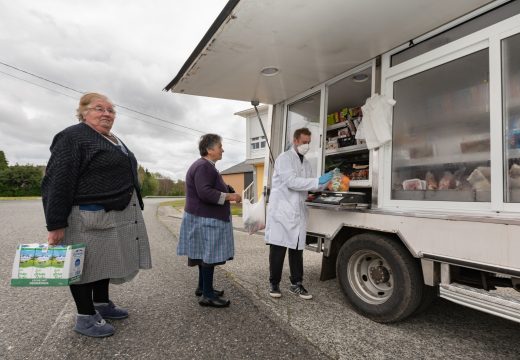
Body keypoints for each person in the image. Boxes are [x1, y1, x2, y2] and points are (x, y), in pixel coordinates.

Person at [41, 92, 152, 337]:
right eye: (99, 108)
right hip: (85, 216)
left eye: (111, 110)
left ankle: (101, 303)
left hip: (110, 213)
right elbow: (58, 181)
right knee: (84, 266)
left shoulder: (113, 139)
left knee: (104, 260)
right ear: (83, 112)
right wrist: (56, 223)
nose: (107, 114)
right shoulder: (72, 136)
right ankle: (85, 316)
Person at [265, 127, 332, 300]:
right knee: (278, 249)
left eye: (309, 142)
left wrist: (326, 183)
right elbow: (292, 182)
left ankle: (297, 283)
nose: (306, 146)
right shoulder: (284, 158)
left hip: (298, 211)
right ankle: (274, 283)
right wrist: (317, 181)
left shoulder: (307, 163)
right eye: (304, 142)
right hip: (282, 211)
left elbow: (309, 186)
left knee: (297, 249)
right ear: (295, 141)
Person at [177, 134, 241, 308]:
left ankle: (203, 287)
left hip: (201, 217)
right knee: (209, 255)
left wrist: (225, 187)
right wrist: (230, 196)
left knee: (203, 253)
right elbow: (205, 192)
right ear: (210, 149)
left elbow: (208, 186)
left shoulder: (206, 166)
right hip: (206, 218)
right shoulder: (204, 166)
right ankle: (207, 295)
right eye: (220, 146)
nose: (223, 150)